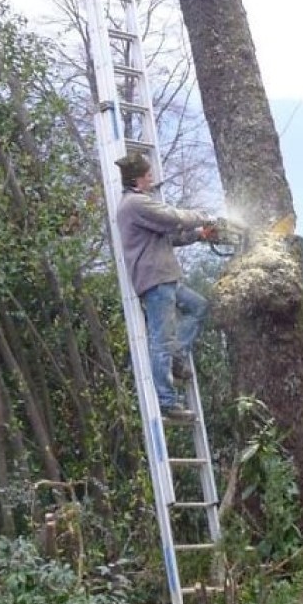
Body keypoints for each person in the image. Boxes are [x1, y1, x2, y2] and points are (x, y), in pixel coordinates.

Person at [114, 152, 215, 420]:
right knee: (161, 339)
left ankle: (178, 356)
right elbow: (172, 217)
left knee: (198, 306)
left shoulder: (139, 205)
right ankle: (167, 402)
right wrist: (204, 216)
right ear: (137, 178)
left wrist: (198, 234)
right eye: (148, 174)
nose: (152, 178)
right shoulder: (135, 204)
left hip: (165, 277)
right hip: (156, 281)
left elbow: (170, 236)